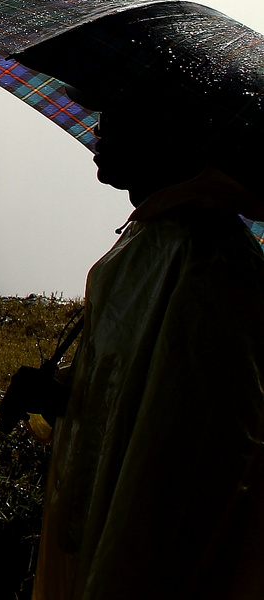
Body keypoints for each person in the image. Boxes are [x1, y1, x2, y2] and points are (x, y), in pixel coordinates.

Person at [31, 96, 264, 599]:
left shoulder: (212, 261)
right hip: (108, 537)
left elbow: (202, 455)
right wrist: (62, 390)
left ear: (169, 136)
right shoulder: (156, 234)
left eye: (120, 118)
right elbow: (129, 378)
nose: (100, 130)